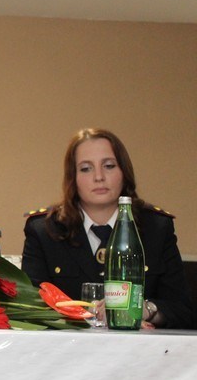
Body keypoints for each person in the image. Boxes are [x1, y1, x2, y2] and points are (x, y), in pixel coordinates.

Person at [22, 128, 193, 329]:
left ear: (124, 172)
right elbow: (30, 310)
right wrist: (78, 318)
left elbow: (183, 311)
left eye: (109, 166)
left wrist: (145, 309)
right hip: (69, 346)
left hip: (139, 346)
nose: (99, 177)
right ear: (72, 177)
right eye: (86, 168)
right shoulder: (44, 230)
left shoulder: (156, 227)